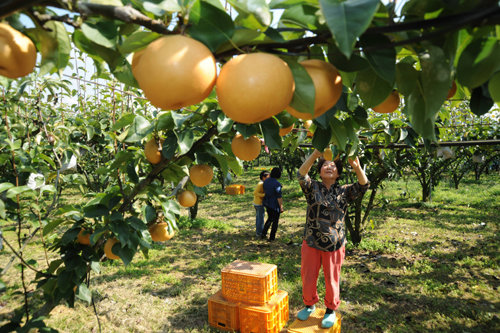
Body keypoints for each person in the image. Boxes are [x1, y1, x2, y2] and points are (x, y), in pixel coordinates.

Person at [296, 149, 369, 328]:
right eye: (325, 165)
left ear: (338, 173)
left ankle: (330, 309)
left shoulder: (344, 191)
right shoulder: (312, 187)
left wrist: (358, 168)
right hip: (311, 240)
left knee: (332, 278)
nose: (329, 166)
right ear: (320, 171)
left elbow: (363, 186)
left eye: (333, 165)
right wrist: (314, 156)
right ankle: (309, 304)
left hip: (334, 244)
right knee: (308, 276)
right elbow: (301, 174)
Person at [261, 167, 284, 241]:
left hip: (267, 203)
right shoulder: (277, 184)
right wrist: (281, 207)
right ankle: (272, 237)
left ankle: (263, 233)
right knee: (275, 221)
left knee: (270, 219)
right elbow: (279, 197)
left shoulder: (266, 181)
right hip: (274, 205)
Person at [253, 170, 270, 237]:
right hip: (259, 204)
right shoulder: (261, 184)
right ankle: (259, 233)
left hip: (257, 203)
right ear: (263, 177)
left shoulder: (262, 183)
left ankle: (258, 231)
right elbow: (255, 193)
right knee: (260, 218)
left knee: (259, 218)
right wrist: (264, 195)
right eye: (268, 177)